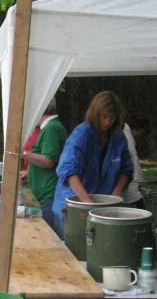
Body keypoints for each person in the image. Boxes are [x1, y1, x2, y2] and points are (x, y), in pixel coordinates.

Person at [53, 91, 134, 237]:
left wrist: (116, 195)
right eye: (104, 117)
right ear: (95, 114)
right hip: (74, 204)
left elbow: (126, 170)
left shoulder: (118, 136)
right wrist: (87, 203)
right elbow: (68, 170)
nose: (107, 122)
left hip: (103, 206)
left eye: (112, 118)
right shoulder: (81, 134)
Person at [23, 98, 68, 233]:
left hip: (50, 195)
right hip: (47, 195)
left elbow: (48, 161)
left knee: (51, 238)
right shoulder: (50, 127)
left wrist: (23, 153)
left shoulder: (52, 128)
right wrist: (29, 173)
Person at [121, 113, 151, 208]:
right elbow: (134, 160)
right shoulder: (127, 136)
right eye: (141, 133)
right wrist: (141, 181)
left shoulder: (124, 131)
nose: (139, 136)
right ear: (137, 129)